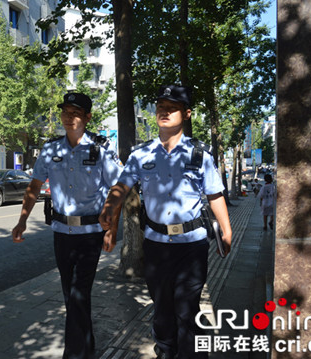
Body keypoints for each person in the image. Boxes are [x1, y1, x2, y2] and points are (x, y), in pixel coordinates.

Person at [99, 85, 232, 359]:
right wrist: (109, 211)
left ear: (187, 113)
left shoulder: (200, 155)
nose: (164, 111)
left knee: (187, 309)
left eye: (172, 107)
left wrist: (227, 232)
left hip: (191, 246)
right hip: (157, 245)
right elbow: (121, 187)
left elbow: (215, 194)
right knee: (161, 310)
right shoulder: (141, 155)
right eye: (161, 106)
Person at [12, 92, 123, 359]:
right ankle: (87, 350)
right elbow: (34, 186)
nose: (69, 117)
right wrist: (22, 220)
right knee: (70, 295)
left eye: (75, 113)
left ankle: (74, 355)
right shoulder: (51, 150)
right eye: (65, 112)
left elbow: (117, 189)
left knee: (78, 293)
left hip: (90, 235)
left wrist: (112, 228)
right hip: (61, 234)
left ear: (87, 117)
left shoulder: (100, 148)